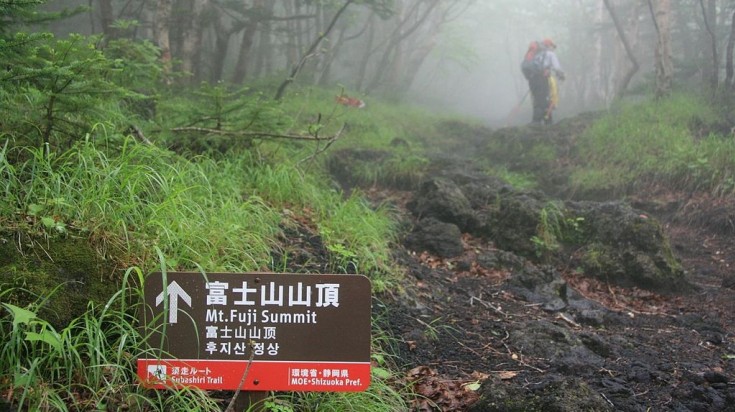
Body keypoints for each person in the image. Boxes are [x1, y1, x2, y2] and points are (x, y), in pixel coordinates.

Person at [527, 38, 565, 125]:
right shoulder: (550, 54)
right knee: (545, 99)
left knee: (537, 99)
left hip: (533, 80)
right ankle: (538, 121)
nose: (553, 48)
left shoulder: (536, 55)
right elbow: (557, 67)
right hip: (543, 79)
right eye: (552, 46)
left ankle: (546, 120)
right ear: (548, 46)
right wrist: (561, 75)